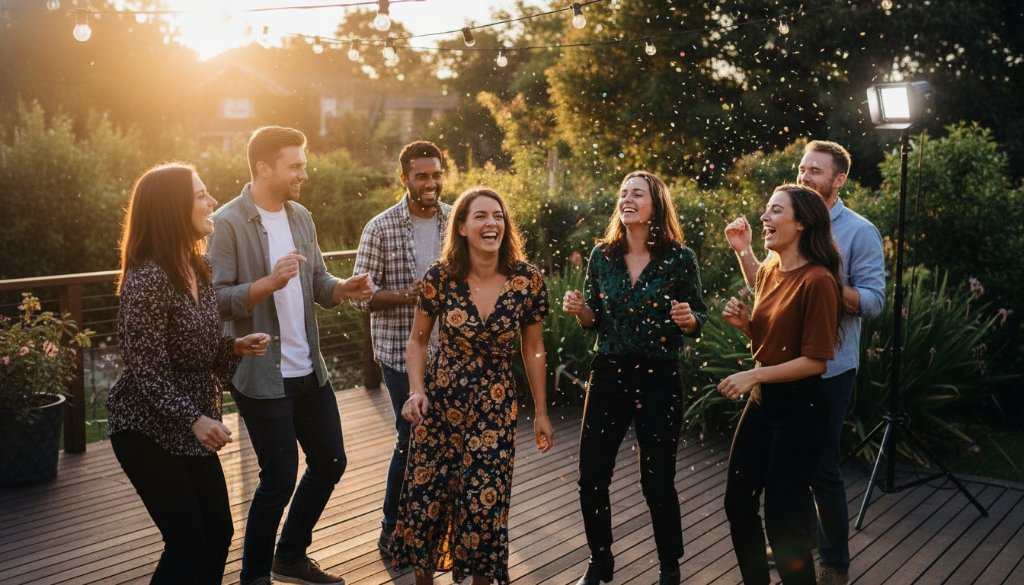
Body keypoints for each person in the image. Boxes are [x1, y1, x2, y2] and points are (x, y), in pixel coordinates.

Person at [208, 126, 374, 585]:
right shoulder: (227, 223)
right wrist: (268, 283)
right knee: (279, 478)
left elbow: (318, 282)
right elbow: (215, 298)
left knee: (330, 462)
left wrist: (344, 288)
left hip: (309, 369)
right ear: (264, 169)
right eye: (295, 165)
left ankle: (291, 556)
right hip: (261, 374)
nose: (304, 172)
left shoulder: (301, 216)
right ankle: (255, 576)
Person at [724, 140, 884, 585]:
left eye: (815, 170)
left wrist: (830, 287)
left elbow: (870, 304)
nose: (805, 175)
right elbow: (774, 307)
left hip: (819, 381)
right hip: (766, 393)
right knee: (747, 503)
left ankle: (833, 563)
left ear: (838, 179)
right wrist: (748, 323)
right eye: (803, 168)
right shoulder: (777, 264)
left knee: (812, 483)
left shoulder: (852, 240)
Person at [107, 163, 270, 584]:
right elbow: (147, 370)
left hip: (190, 424)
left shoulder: (199, 269)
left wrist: (233, 346)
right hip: (145, 428)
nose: (212, 201)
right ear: (172, 209)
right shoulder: (147, 281)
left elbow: (196, 348)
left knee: (218, 532)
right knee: (186, 542)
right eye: (200, 195)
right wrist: (195, 419)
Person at [390, 187, 556, 585]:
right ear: (462, 227)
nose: (491, 223)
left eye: (498, 216)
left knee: (484, 508)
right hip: (441, 406)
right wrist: (416, 390)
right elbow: (417, 340)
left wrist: (542, 412)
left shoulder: (527, 280)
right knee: (427, 502)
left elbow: (533, 348)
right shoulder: (440, 278)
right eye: (481, 216)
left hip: (495, 409)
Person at [562, 170, 708, 585]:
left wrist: (688, 320)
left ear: (655, 204)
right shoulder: (601, 256)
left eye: (637, 194)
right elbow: (594, 318)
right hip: (609, 373)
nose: (627, 199)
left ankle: (669, 566)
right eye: (623, 193)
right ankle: (600, 558)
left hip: (660, 377)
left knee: (657, 477)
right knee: (592, 474)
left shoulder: (680, 257)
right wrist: (580, 310)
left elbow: (699, 313)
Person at [719, 184, 843, 585]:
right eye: (766, 210)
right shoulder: (771, 269)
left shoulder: (819, 281)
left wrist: (753, 374)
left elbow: (815, 361)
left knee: (783, 520)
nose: (764, 219)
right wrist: (747, 327)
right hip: (762, 404)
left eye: (775, 211)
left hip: (800, 411)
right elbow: (773, 340)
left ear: (802, 223)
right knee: (737, 503)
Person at [351, 140, 452, 557]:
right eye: (421, 176)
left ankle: (435, 529)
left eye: (436, 174)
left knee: (445, 441)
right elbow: (360, 296)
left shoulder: (456, 220)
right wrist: (409, 297)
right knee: (410, 438)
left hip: (451, 352)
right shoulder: (380, 227)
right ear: (405, 178)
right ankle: (391, 530)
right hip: (397, 353)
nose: (430, 183)